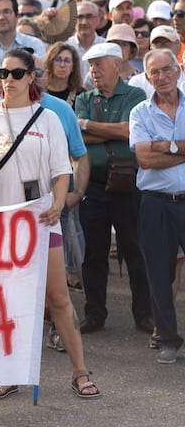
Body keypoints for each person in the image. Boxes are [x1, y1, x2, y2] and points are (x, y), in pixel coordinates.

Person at [0, 48, 99, 399]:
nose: (8, 80)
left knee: (57, 298)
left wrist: (57, 205)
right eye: (3, 73)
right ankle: (8, 372)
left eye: (17, 74)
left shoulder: (48, 117)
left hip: (39, 220)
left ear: (32, 77)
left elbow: (61, 170)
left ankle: (80, 371)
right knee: (5, 299)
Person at [74, 43, 150, 335]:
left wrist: (89, 125)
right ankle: (94, 314)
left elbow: (130, 132)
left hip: (128, 182)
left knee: (135, 251)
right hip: (93, 186)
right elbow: (78, 139)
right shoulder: (84, 97)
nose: (93, 70)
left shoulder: (135, 94)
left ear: (117, 65)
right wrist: (112, 130)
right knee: (94, 252)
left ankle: (144, 315)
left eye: (99, 64)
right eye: (91, 65)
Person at [130, 49, 185, 363]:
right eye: (155, 73)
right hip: (155, 203)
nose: (162, 77)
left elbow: (155, 154)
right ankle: (167, 339)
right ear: (147, 78)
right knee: (159, 274)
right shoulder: (140, 112)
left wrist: (167, 146)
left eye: (167, 70)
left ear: (177, 70)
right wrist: (179, 148)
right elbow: (144, 158)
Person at [43, 42, 84, 106]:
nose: (62, 65)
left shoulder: (81, 95)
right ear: (50, 63)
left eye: (67, 61)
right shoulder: (38, 92)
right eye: (58, 60)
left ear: (73, 67)